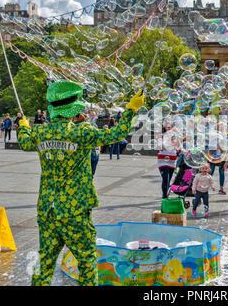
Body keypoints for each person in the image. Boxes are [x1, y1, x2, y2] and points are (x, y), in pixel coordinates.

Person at [17, 81, 144, 286]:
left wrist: (23, 126)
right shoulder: (81, 132)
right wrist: (130, 109)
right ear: (72, 110)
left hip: (47, 209)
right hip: (74, 210)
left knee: (45, 261)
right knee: (86, 260)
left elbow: (24, 142)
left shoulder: (40, 132)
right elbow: (117, 134)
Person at [157, 121, 178, 199]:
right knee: (165, 178)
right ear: (164, 127)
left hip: (172, 159)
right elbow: (160, 147)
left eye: (170, 126)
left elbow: (176, 146)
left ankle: (166, 194)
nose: (169, 128)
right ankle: (164, 196)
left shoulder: (174, 136)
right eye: (167, 126)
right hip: (163, 159)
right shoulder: (161, 136)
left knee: (169, 178)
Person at [88, 110, 100, 177]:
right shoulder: (85, 124)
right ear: (89, 115)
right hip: (89, 152)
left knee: (93, 172)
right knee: (88, 172)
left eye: (94, 115)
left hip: (96, 152)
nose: (93, 117)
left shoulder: (95, 125)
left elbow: (98, 138)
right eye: (92, 115)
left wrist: (99, 149)